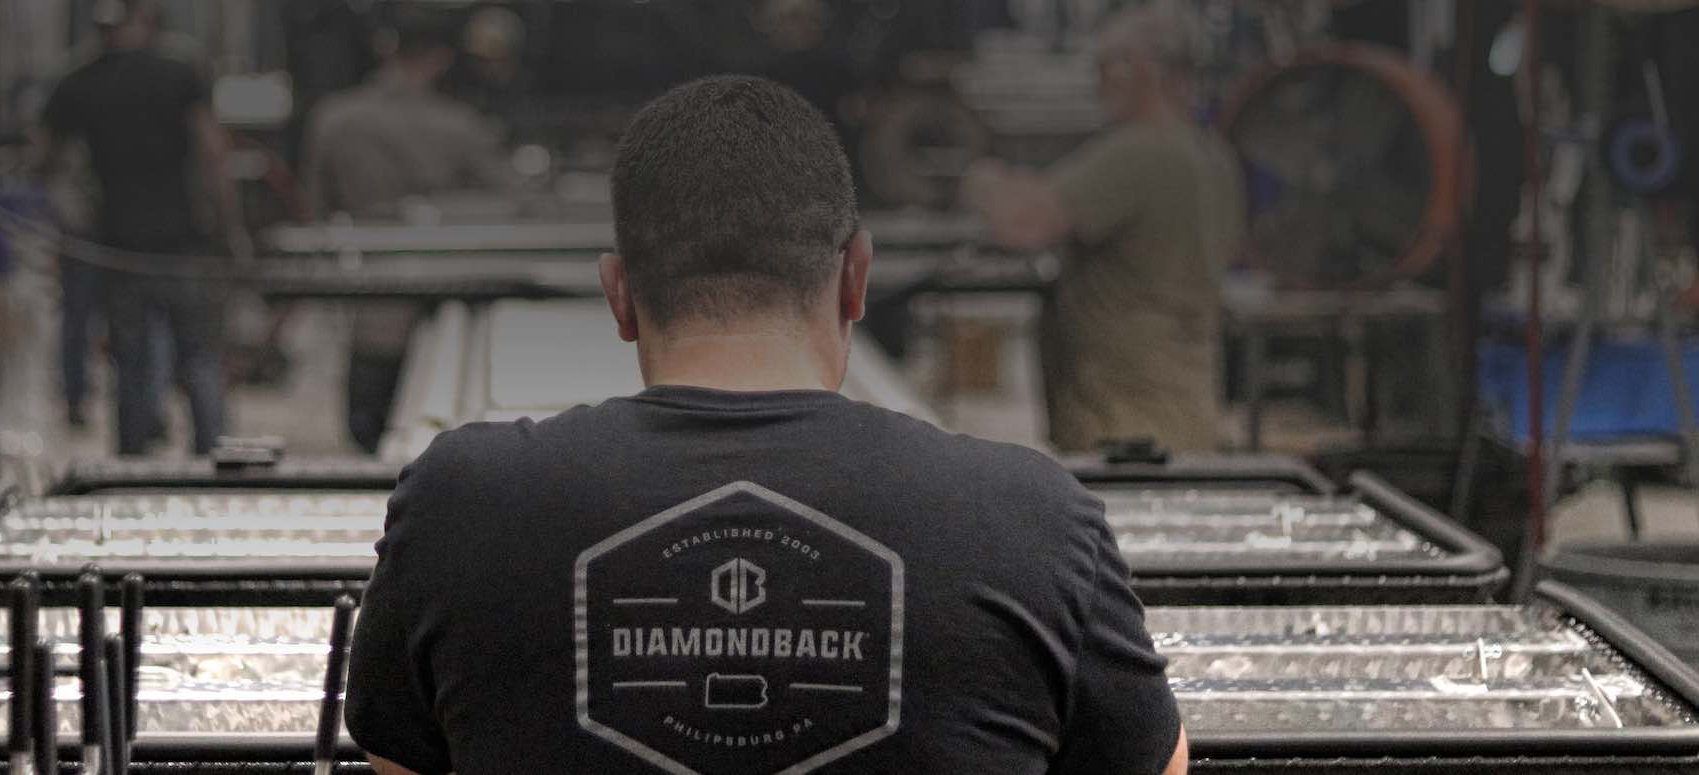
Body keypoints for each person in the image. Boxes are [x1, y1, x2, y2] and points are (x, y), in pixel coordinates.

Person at [346, 76, 1188, 775]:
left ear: (620, 295)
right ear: (856, 278)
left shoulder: (462, 501)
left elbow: (398, 761)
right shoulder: (1033, 515)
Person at [963, 7, 1245, 452]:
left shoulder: (1140, 153)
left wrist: (979, 178)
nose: (1098, 80)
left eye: (1109, 64)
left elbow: (1022, 222)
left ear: (1147, 70)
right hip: (1186, 411)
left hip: (1126, 427)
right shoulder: (1213, 156)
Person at [38, 0, 247, 455]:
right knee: (199, 359)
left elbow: (45, 160)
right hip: (180, 244)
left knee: (130, 363)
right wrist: (232, 230)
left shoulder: (79, 82)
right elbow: (213, 155)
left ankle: (135, 467)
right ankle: (216, 458)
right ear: (147, 18)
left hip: (120, 249)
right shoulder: (181, 72)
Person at [301, 9, 516, 452]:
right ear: (441, 59)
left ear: (387, 47)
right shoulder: (461, 128)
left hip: (370, 305)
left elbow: (316, 210)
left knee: (367, 441)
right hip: (446, 313)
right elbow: (509, 207)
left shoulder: (335, 119)